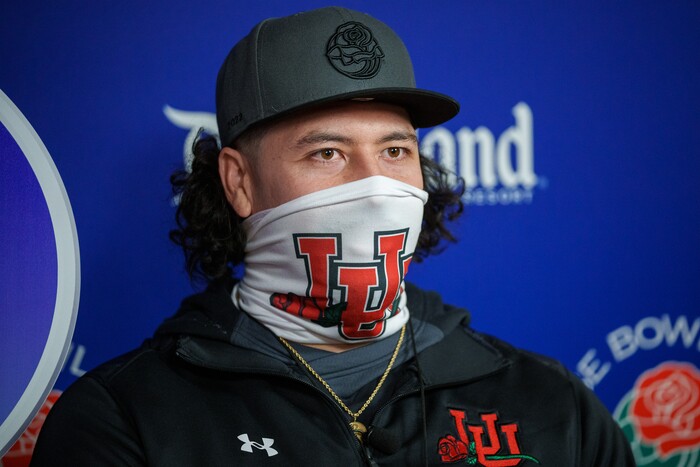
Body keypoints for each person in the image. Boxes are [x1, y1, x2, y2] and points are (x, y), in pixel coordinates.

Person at [32, 6, 634, 466]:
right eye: (327, 152)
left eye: (395, 150)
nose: (375, 186)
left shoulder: (553, 403)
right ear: (239, 182)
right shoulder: (124, 419)